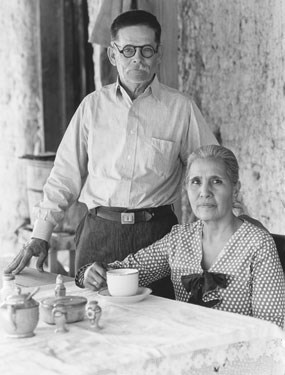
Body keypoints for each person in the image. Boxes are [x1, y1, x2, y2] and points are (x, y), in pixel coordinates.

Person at [5, 10, 217, 298]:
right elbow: (64, 177)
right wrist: (40, 235)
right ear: (112, 55)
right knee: (93, 322)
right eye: (128, 50)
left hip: (157, 238)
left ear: (159, 54)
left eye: (146, 50)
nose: (137, 59)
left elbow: (211, 170)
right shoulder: (92, 108)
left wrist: (221, 231)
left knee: (157, 326)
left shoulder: (181, 109)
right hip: (98, 236)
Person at [76, 145, 285, 328]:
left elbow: (272, 328)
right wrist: (89, 274)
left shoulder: (258, 245)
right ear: (186, 189)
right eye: (196, 181)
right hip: (186, 349)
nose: (204, 192)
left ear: (235, 189)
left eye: (216, 181)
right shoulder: (179, 239)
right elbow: (127, 271)